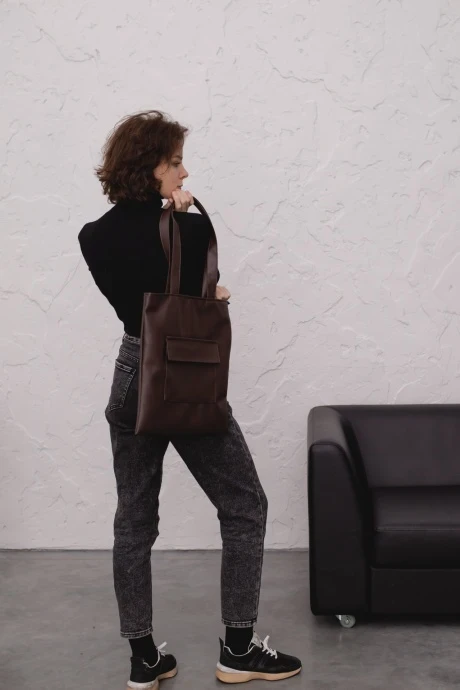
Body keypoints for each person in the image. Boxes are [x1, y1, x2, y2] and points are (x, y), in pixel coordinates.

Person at [78, 110, 302, 689]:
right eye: (175, 162)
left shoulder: (92, 236)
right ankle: (239, 650)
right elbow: (198, 298)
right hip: (185, 379)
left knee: (133, 520)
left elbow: (140, 305)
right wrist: (182, 227)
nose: (184, 172)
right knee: (245, 504)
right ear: (147, 166)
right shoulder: (188, 228)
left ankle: (143, 659)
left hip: (132, 377)